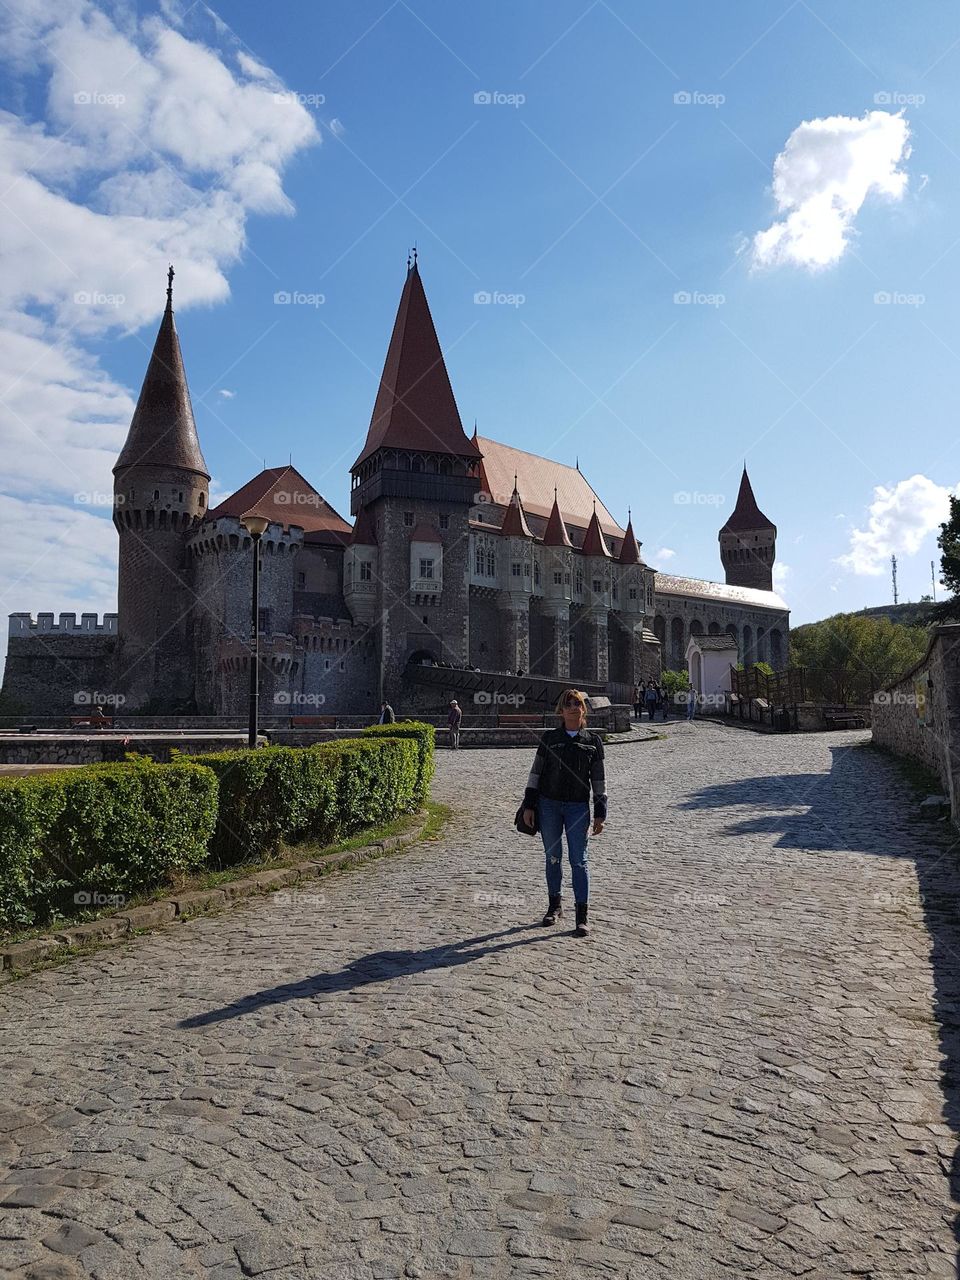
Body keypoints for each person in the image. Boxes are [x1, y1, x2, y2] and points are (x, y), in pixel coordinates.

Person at [521, 688, 606, 938]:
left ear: (583, 709)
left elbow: (599, 780)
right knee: (553, 857)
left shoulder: (592, 741)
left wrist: (601, 812)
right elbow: (535, 774)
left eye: (577, 703)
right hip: (549, 805)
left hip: (578, 808)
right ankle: (554, 906)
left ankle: (582, 916)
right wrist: (529, 805)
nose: (572, 707)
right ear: (561, 710)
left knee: (579, 860)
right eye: (567, 703)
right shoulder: (549, 739)